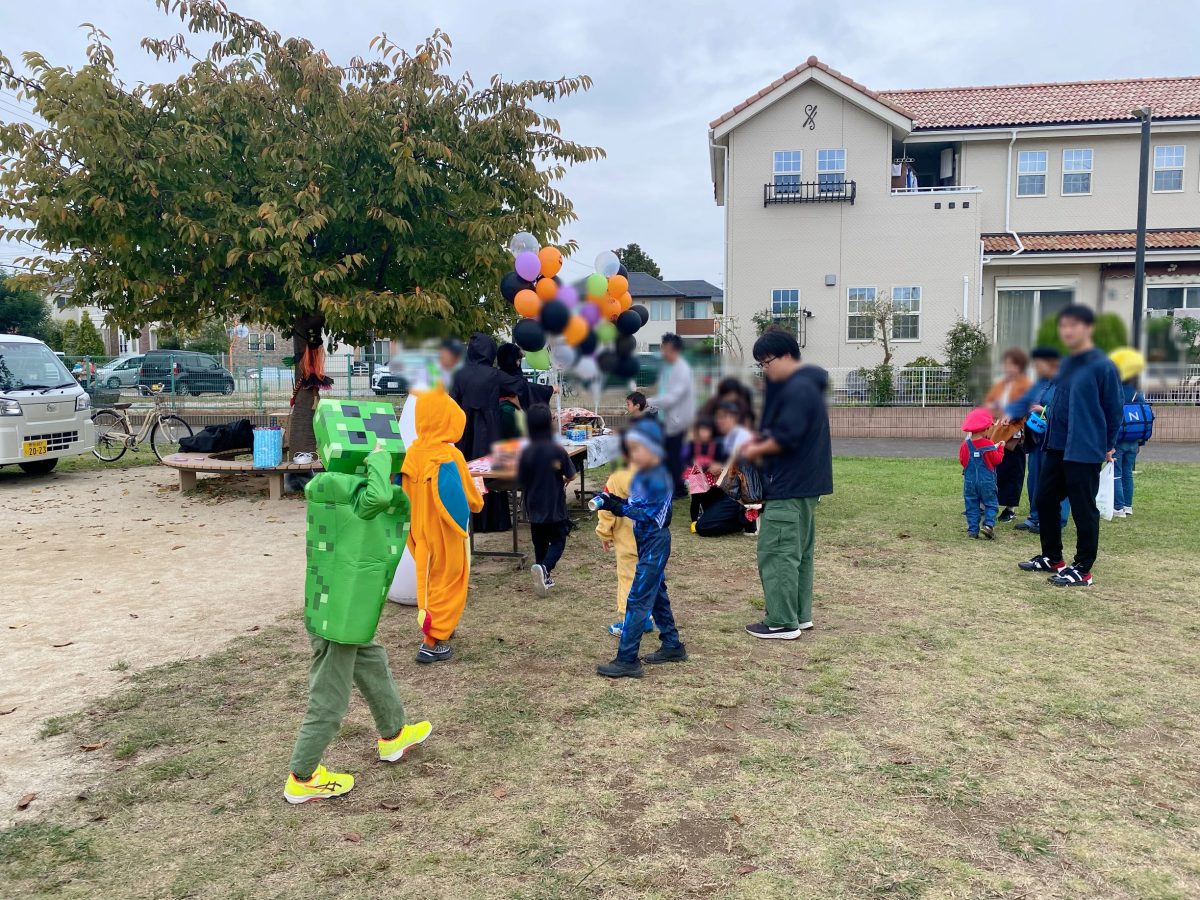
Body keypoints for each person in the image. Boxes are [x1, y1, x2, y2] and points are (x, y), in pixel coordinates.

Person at [285, 403, 432, 804]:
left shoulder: (331, 481)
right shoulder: (339, 486)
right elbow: (378, 498)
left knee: (372, 662)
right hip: (340, 611)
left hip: (336, 602)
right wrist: (381, 460)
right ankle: (303, 775)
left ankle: (394, 733)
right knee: (329, 696)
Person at [1017, 305, 1123, 588]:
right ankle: (1053, 557)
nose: (1066, 332)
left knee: (1083, 508)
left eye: (1073, 326)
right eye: (1063, 326)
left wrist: (1108, 445)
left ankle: (1083, 569)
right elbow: (1060, 404)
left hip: (1085, 447)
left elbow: (1114, 410)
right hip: (1057, 445)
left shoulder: (1102, 365)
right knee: (1045, 498)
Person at [740, 330, 833, 640]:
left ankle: (781, 621)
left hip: (788, 487)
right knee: (799, 554)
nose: (764, 370)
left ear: (786, 357)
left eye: (766, 363)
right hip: (806, 487)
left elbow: (786, 438)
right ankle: (800, 615)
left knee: (777, 553)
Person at [593, 417, 688, 678]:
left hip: (655, 541)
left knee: (637, 598)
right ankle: (672, 645)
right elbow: (634, 504)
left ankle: (627, 659)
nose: (632, 454)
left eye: (637, 449)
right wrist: (614, 500)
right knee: (657, 594)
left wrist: (617, 506)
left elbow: (648, 515)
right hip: (644, 540)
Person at [402, 384, 485, 662]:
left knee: (427, 578)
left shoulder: (413, 452)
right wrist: (478, 500)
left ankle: (437, 625)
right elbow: (471, 497)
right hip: (446, 530)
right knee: (450, 579)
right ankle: (431, 640)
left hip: (419, 529)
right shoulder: (451, 456)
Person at [450, 333, 527, 532]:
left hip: (464, 429)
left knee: (467, 470)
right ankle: (493, 519)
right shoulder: (494, 375)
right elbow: (520, 386)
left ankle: (469, 518)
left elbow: (451, 401)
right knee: (490, 471)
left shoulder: (459, 374)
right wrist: (548, 390)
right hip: (490, 427)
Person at [1004, 347, 1069, 534]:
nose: (1035, 367)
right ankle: (1035, 517)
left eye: (1038, 364)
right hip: (1036, 438)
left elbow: (1068, 410)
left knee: (1056, 481)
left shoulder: (1065, 384)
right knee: (1034, 479)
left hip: (1056, 439)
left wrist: (1044, 410)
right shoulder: (1040, 383)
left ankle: (1057, 520)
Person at [594, 435, 652, 638]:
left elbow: (606, 507)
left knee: (627, 578)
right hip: (651, 538)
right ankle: (645, 618)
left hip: (626, 539)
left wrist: (604, 533)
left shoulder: (617, 478)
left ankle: (629, 621)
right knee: (649, 579)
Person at [518, 404, 577, 596]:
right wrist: (564, 479)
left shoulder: (525, 452)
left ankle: (543, 577)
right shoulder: (556, 450)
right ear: (548, 424)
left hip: (533, 504)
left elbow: (521, 480)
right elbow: (571, 475)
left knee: (540, 542)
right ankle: (545, 569)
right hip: (553, 504)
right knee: (558, 540)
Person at [985, 348, 1032, 523]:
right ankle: (989, 503)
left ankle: (1010, 508)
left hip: (1014, 434)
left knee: (1012, 470)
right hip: (997, 430)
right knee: (995, 467)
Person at [649, 333, 695, 497]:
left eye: (663, 348)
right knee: (668, 454)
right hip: (668, 418)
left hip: (678, 421)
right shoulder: (669, 367)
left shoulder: (681, 369)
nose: (662, 351)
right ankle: (672, 485)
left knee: (674, 455)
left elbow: (673, 396)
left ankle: (678, 489)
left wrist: (649, 402)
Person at [1110, 348, 1149, 518]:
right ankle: (1127, 505)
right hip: (1134, 440)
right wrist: (1141, 442)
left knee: (1116, 472)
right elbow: (1144, 417)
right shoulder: (1137, 392)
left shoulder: (1115, 390)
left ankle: (1117, 507)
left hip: (1118, 438)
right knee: (1127, 472)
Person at [959, 407, 1005, 539]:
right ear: (985, 428)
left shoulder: (965, 445)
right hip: (987, 481)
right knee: (991, 503)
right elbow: (997, 460)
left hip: (970, 481)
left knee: (971, 504)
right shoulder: (988, 444)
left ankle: (973, 530)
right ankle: (988, 525)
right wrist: (1001, 448)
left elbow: (962, 461)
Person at [683, 417, 725, 523]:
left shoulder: (715, 445)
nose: (703, 433)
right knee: (696, 500)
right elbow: (687, 459)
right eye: (701, 430)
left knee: (708, 498)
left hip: (710, 477)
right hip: (696, 476)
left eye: (706, 430)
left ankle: (706, 518)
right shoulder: (693, 444)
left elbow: (720, 459)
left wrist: (716, 465)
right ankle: (694, 521)